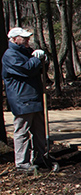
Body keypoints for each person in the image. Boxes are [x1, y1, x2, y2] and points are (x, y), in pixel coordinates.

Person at [2, 27, 58, 173]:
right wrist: (36, 59)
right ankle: (22, 163)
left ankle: (40, 157)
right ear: (14, 39)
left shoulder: (26, 52)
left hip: (34, 97)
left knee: (39, 130)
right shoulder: (10, 55)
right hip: (21, 99)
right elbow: (26, 69)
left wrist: (44, 61)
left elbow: (39, 69)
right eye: (23, 37)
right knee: (22, 131)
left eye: (27, 37)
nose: (27, 40)